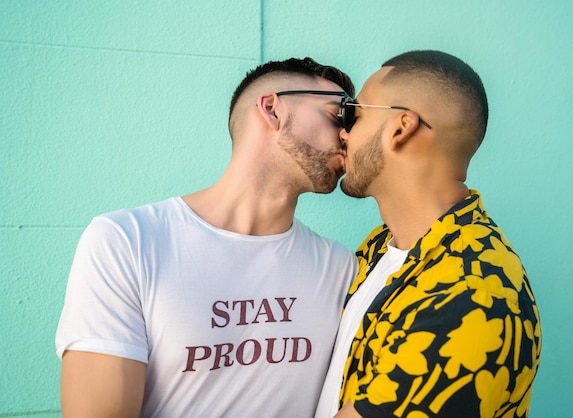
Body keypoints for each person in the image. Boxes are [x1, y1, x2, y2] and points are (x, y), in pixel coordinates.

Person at [56, 57, 359, 417]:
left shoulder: (341, 267)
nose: (347, 134)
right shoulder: (127, 242)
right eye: (338, 114)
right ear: (272, 109)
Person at [315, 50, 541, 418]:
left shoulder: (471, 290)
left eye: (354, 114)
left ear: (401, 128)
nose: (343, 131)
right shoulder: (380, 247)